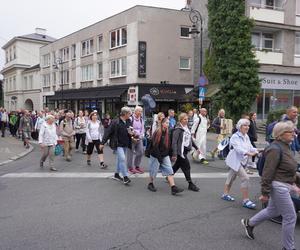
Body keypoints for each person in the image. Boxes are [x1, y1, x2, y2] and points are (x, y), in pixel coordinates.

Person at [241, 121, 300, 250]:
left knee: (273, 210)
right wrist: (265, 193)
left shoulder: (285, 146)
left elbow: (287, 169)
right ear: (281, 134)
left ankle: (249, 224)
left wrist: (295, 183)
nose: (294, 134)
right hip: (278, 186)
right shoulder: (275, 148)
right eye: (291, 132)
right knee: (290, 216)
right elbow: (268, 172)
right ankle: (288, 247)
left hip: (284, 184)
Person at [221, 119, 258, 209]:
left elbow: (250, 147)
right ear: (239, 127)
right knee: (245, 178)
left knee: (231, 177)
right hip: (235, 160)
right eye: (245, 125)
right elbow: (238, 149)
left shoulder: (246, 136)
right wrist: (249, 153)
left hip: (242, 161)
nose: (247, 127)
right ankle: (246, 200)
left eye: (248, 125)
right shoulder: (235, 136)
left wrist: (257, 151)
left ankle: (225, 194)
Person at [147, 117, 184, 195]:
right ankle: (150, 184)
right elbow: (155, 146)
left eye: (168, 123)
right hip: (155, 155)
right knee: (154, 171)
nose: (168, 124)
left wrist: (171, 154)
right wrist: (159, 158)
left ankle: (173, 188)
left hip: (164, 154)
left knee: (169, 170)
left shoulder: (167, 132)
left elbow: (168, 145)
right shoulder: (158, 132)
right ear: (162, 123)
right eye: (166, 123)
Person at [101, 107, 133, 185]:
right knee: (122, 159)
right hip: (118, 144)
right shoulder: (115, 122)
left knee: (120, 159)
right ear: (125, 114)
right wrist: (102, 143)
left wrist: (132, 134)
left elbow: (130, 130)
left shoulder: (129, 120)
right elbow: (108, 132)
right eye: (129, 113)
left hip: (126, 143)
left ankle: (116, 174)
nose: (130, 115)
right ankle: (125, 177)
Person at [171, 113, 200, 192]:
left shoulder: (186, 128)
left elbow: (190, 139)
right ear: (180, 120)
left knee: (177, 165)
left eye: (187, 119)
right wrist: (174, 154)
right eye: (184, 119)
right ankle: (190, 184)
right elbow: (174, 142)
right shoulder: (178, 129)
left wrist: (196, 147)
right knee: (187, 166)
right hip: (180, 151)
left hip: (185, 150)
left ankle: (169, 176)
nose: (186, 120)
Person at [127, 106, 145, 174]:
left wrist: (140, 135)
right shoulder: (131, 119)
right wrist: (133, 136)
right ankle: (130, 168)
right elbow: (129, 129)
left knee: (140, 152)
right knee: (130, 153)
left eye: (141, 111)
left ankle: (137, 166)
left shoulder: (141, 119)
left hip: (139, 138)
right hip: (131, 138)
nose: (140, 112)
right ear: (135, 111)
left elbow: (142, 129)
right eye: (139, 111)